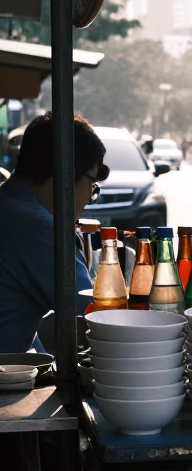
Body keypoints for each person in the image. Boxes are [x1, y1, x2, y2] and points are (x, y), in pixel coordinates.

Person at [0, 112, 109, 352]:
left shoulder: (8, 203)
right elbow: (98, 317)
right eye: (92, 186)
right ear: (67, 174)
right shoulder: (41, 228)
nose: (88, 199)